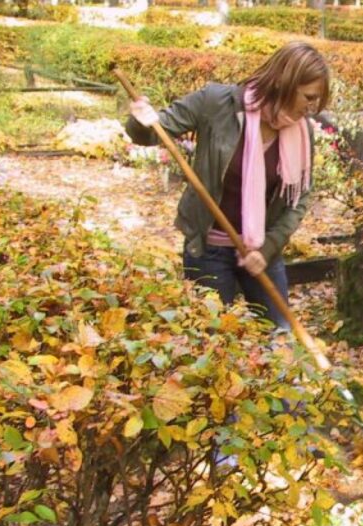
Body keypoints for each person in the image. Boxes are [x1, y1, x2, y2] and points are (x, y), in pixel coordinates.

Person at [125, 42, 329, 330]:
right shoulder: (216, 103)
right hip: (209, 250)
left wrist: (268, 248)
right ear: (283, 82)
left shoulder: (302, 131)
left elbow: (300, 199)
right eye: (308, 97)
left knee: (280, 334)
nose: (312, 108)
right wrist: (140, 120)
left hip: (263, 250)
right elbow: (152, 133)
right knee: (214, 337)